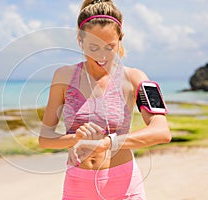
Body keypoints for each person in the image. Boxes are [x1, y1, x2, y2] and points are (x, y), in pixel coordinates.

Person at [39, 0, 171, 199]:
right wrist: (75, 138)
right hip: (78, 187)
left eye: (109, 47)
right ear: (80, 40)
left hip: (125, 186)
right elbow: (45, 138)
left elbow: (162, 132)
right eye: (93, 47)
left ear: (120, 39)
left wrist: (108, 143)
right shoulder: (63, 77)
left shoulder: (136, 78)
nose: (101, 56)